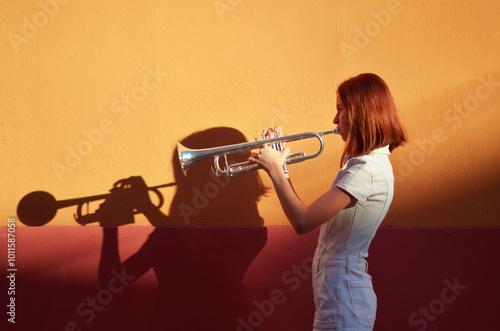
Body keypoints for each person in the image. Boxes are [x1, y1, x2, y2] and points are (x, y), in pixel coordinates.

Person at [248, 73, 407, 330]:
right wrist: (282, 167)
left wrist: (276, 170)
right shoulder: (366, 165)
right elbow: (305, 215)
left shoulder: (366, 169)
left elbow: (302, 221)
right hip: (341, 296)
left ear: (360, 113)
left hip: (344, 300)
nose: (335, 119)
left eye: (340, 110)